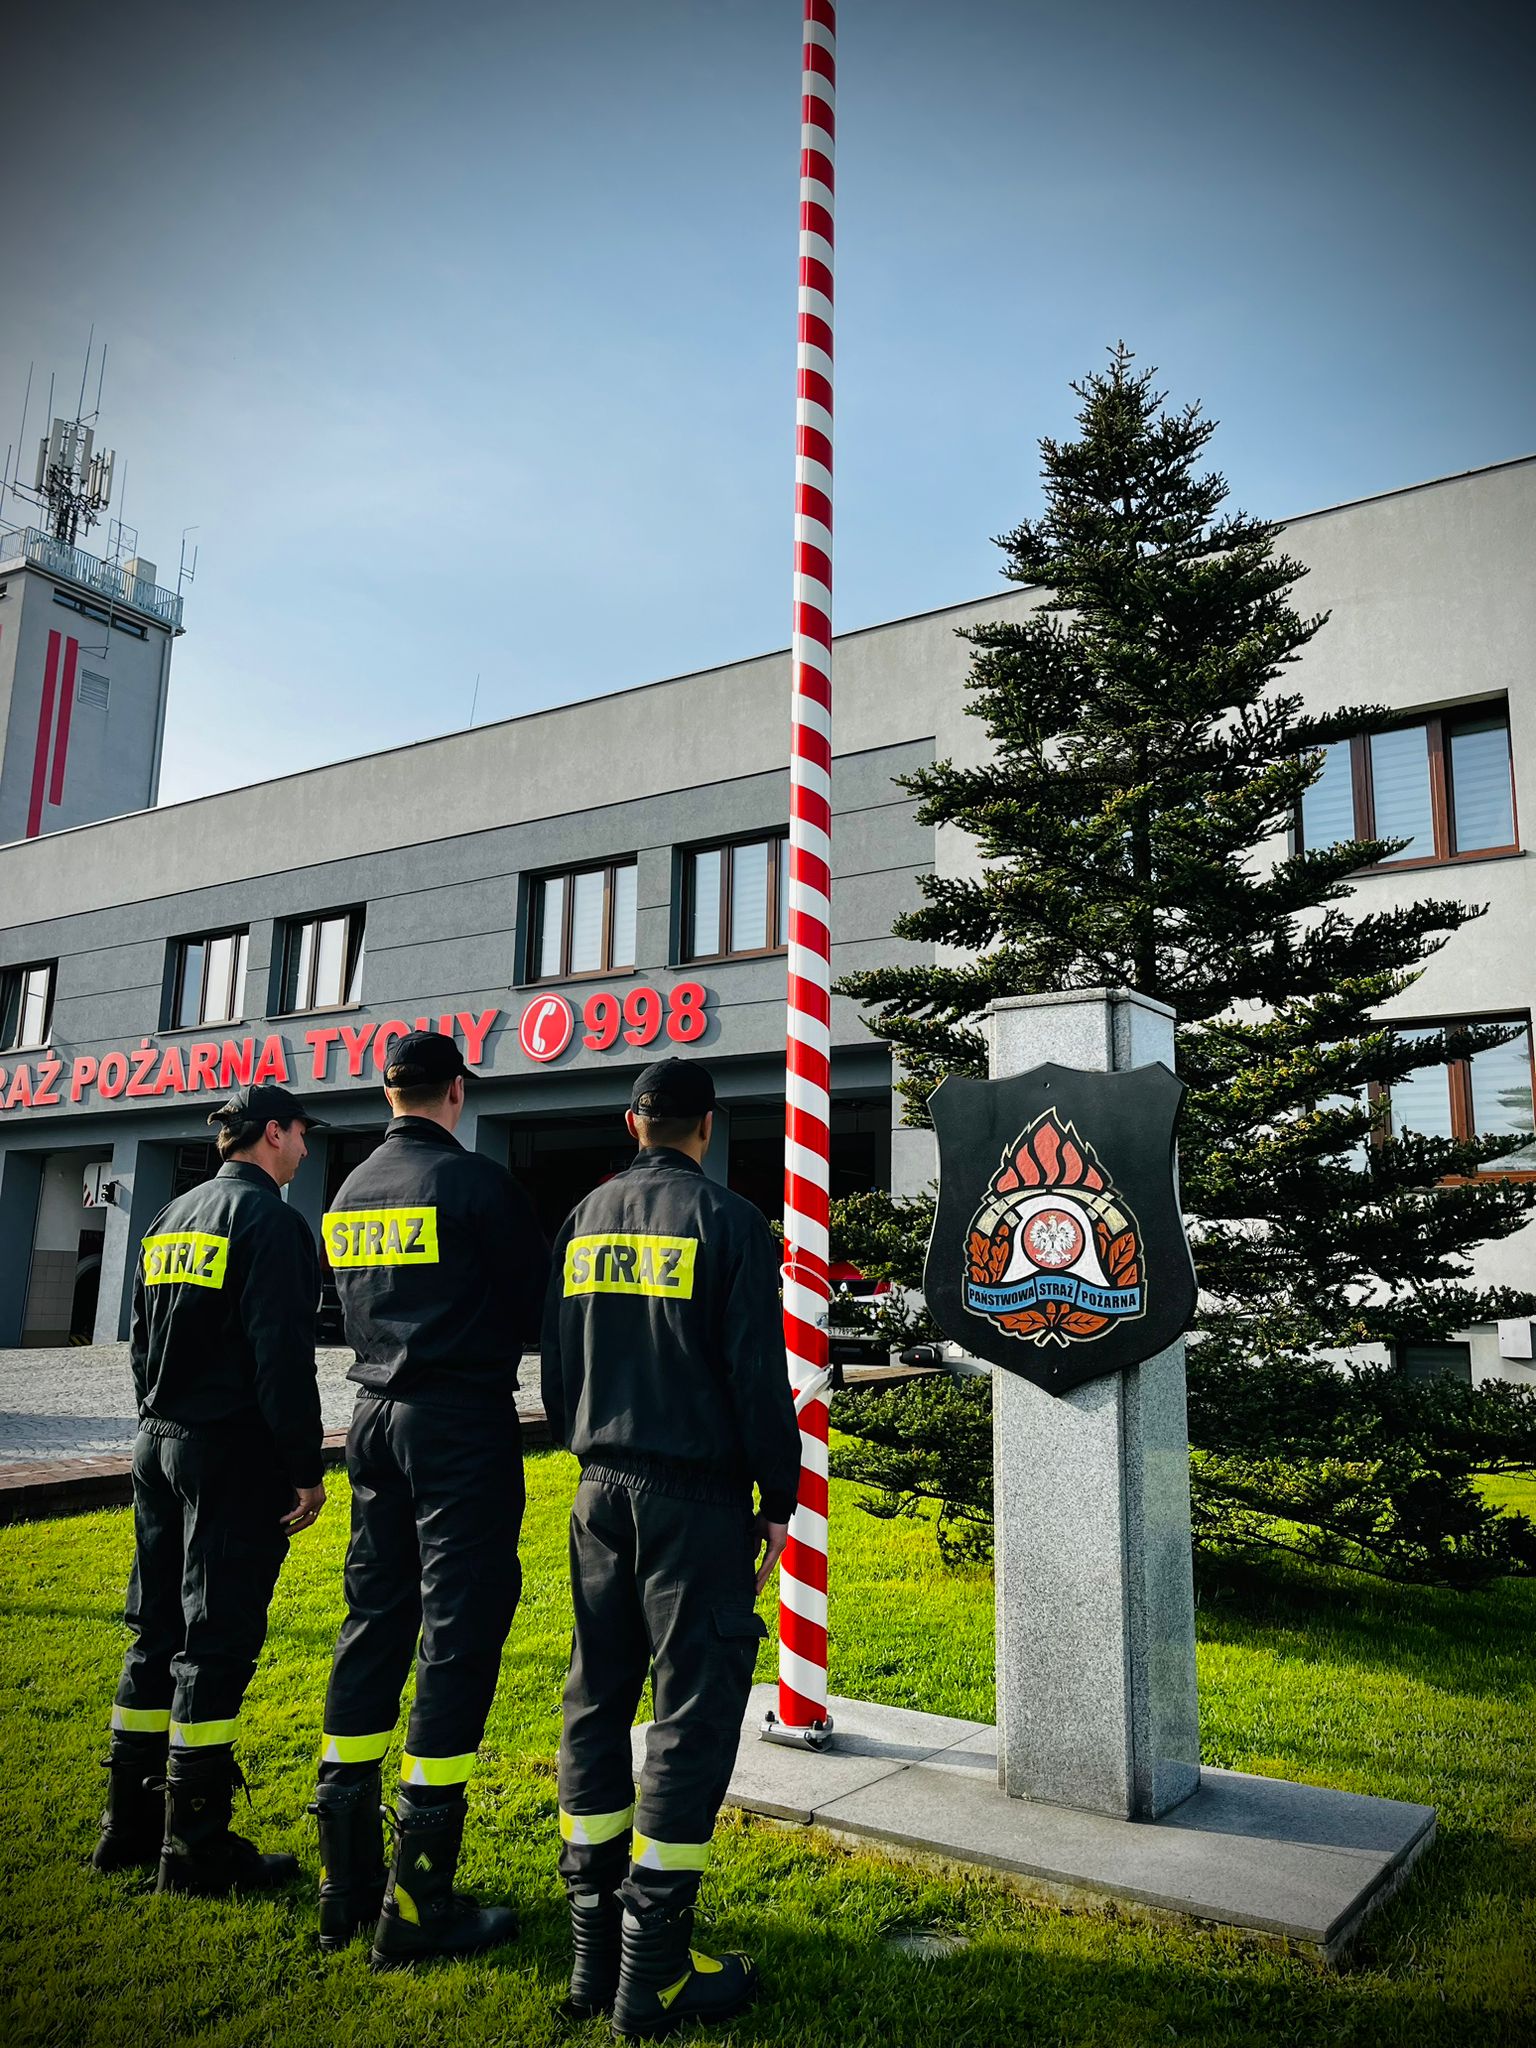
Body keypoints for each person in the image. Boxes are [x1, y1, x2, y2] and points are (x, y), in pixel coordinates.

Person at [542, 1057, 801, 2037]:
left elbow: (557, 1366)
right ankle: (653, 1967)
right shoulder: (729, 1222)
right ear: (707, 1126)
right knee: (689, 1711)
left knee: (595, 1697)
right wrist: (778, 1498)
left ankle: (592, 1950)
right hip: (693, 1499)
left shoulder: (582, 1218)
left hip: (597, 1490)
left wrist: (590, 1448)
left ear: (631, 1123)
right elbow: (756, 1376)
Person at [311, 1030, 549, 1970]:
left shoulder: (347, 1191)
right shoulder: (477, 1184)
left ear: (386, 1091)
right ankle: (418, 1903)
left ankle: (344, 1885)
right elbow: (535, 1307)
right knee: (458, 1629)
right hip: (458, 1423)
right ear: (457, 1091)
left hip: (371, 1418)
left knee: (373, 1618)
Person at [94, 1083, 328, 1896]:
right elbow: (281, 1358)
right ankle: (194, 1847)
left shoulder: (170, 1216)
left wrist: (155, 1422)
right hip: (228, 1455)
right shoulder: (271, 1222)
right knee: (215, 1640)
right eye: (301, 1133)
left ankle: (127, 1825)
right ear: (273, 1134)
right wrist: (304, 1468)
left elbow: (140, 1339)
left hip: (156, 1442)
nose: (305, 1148)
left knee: (153, 1629)